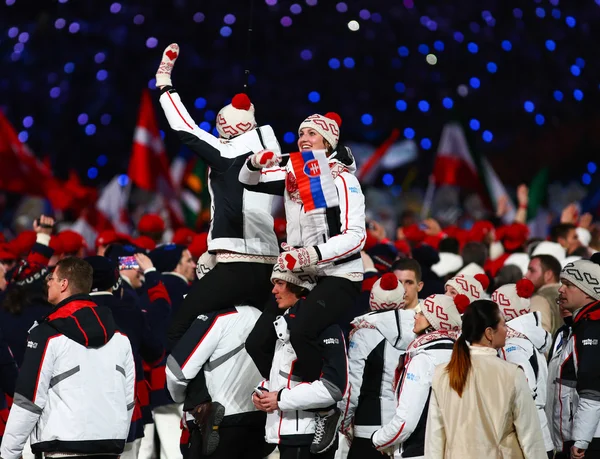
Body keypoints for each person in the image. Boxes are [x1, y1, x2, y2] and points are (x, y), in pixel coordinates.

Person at [239, 109, 365, 450]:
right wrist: (254, 162)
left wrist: (311, 254)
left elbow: (356, 237)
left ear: (328, 142)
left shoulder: (342, 180)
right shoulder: (295, 171)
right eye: (300, 134)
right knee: (257, 341)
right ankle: (289, 389)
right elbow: (248, 182)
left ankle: (325, 404)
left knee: (303, 328)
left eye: (312, 135)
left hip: (340, 274)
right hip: (304, 274)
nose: (303, 139)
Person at [155, 43, 281, 351]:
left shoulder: (223, 152)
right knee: (268, 342)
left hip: (235, 263)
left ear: (223, 127)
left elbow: (183, 127)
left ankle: (194, 399)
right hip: (272, 265)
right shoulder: (275, 155)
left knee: (178, 330)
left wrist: (164, 83)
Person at [0, 257, 135, 459]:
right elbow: (129, 398)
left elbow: (29, 398)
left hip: (63, 446)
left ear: (64, 284)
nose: (47, 282)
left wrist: (9, 453)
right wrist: (117, 437)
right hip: (110, 444)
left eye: (52, 278)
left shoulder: (46, 334)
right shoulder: (121, 337)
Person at [424, 300, 546, 458]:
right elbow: (530, 437)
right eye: (503, 325)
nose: (506, 330)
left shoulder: (443, 373)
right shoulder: (511, 374)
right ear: (489, 333)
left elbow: (434, 438)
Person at [252, 265, 348, 458]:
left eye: (280, 283)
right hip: (285, 433)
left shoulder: (326, 327)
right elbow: (288, 375)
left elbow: (334, 388)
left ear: (299, 286)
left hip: (309, 436)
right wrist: (264, 391)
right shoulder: (284, 323)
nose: (274, 291)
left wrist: (279, 399)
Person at [165, 278, 265, 458]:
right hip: (260, 417)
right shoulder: (263, 315)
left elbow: (177, 372)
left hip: (217, 422)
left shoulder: (218, 317)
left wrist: (182, 399)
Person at [86, 254, 167, 459]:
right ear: (115, 281)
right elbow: (155, 353)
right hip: (127, 405)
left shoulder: (67, 314)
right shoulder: (131, 312)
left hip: (82, 409)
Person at [371, 294, 468, 458]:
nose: (415, 316)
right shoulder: (461, 355)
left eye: (422, 313)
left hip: (418, 451)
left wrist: (377, 439)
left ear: (434, 321)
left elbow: (405, 423)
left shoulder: (423, 360)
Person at [340, 273, 417, 458]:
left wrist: (344, 422)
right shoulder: (419, 329)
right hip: (407, 427)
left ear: (374, 299)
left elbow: (353, 388)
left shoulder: (363, 333)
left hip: (369, 428)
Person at [492, 280, 554, 457]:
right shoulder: (526, 339)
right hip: (537, 435)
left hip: (528, 440)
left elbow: (522, 392)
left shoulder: (513, 345)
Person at [546, 257, 600, 459]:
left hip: (589, 442)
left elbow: (592, 390)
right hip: (574, 438)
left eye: (569, 284)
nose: (561, 289)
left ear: (588, 291)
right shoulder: (578, 327)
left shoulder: (593, 327)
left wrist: (581, 440)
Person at [525, 254, 563, 336]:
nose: (526, 275)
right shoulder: (570, 295)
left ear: (548, 274)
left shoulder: (539, 298)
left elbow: (538, 338)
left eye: (532, 271)